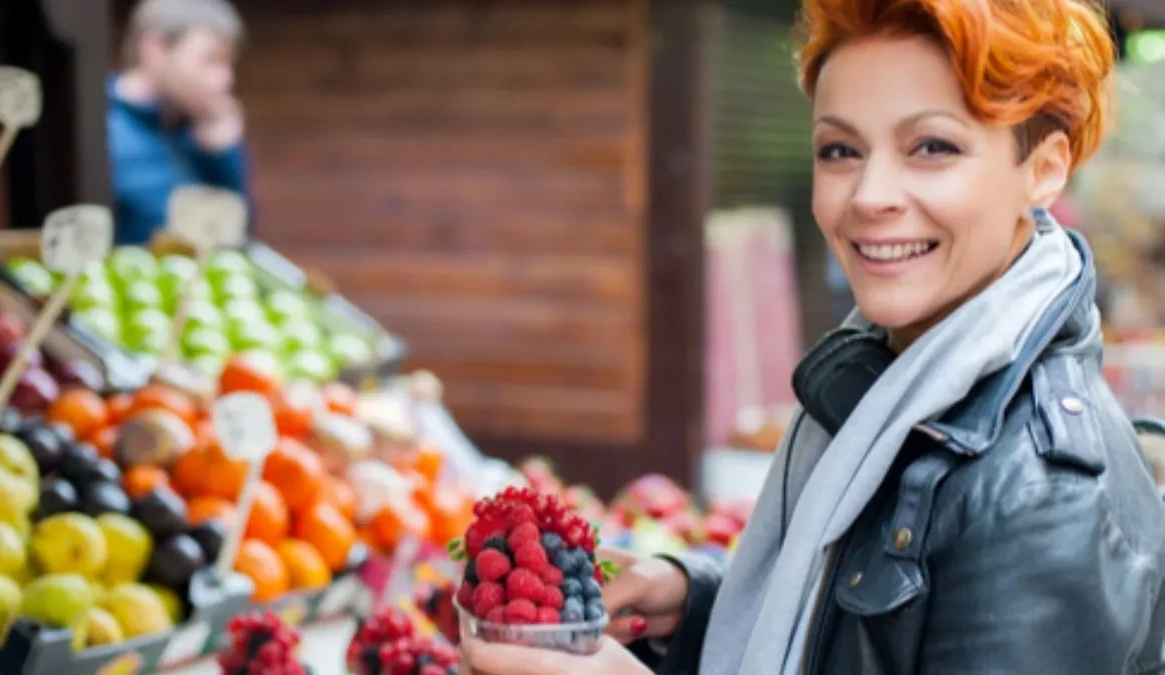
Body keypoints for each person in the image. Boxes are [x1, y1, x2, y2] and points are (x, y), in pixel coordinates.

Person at [460, 0, 1165, 673]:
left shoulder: (1042, 497)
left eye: (932, 146)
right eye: (841, 150)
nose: (869, 195)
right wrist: (695, 605)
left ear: (1043, 170)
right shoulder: (898, 380)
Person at [108, 0, 250, 245]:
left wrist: (223, 158)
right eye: (211, 60)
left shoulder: (205, 130)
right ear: (155, 50)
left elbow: (237, 237)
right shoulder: (100, 126)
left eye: (229, 63)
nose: (225, 79)